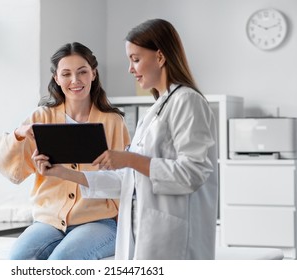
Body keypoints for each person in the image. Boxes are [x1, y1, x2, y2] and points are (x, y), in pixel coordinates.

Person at [33, 19, 218, 260]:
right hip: (148, 231)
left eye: (136, 59)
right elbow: (128, 182)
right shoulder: (157, 109)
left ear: (160, 57)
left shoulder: (187, 101)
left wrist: (130, 159)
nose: (130, 68)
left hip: (176, 236)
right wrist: (63, 172)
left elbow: (193, 172)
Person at [0, 42, 131, 260]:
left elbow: (124, 178)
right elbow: (3, 163)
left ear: (93, 74)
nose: (75, 80)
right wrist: (18, 133)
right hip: (49, 220)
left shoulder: (112, 122)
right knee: (17, 260)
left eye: (82, 72)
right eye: (66, 74)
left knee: (61, 261)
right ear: (56, 78)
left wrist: (126, 228)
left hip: (98, 221)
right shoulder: (42, 117)